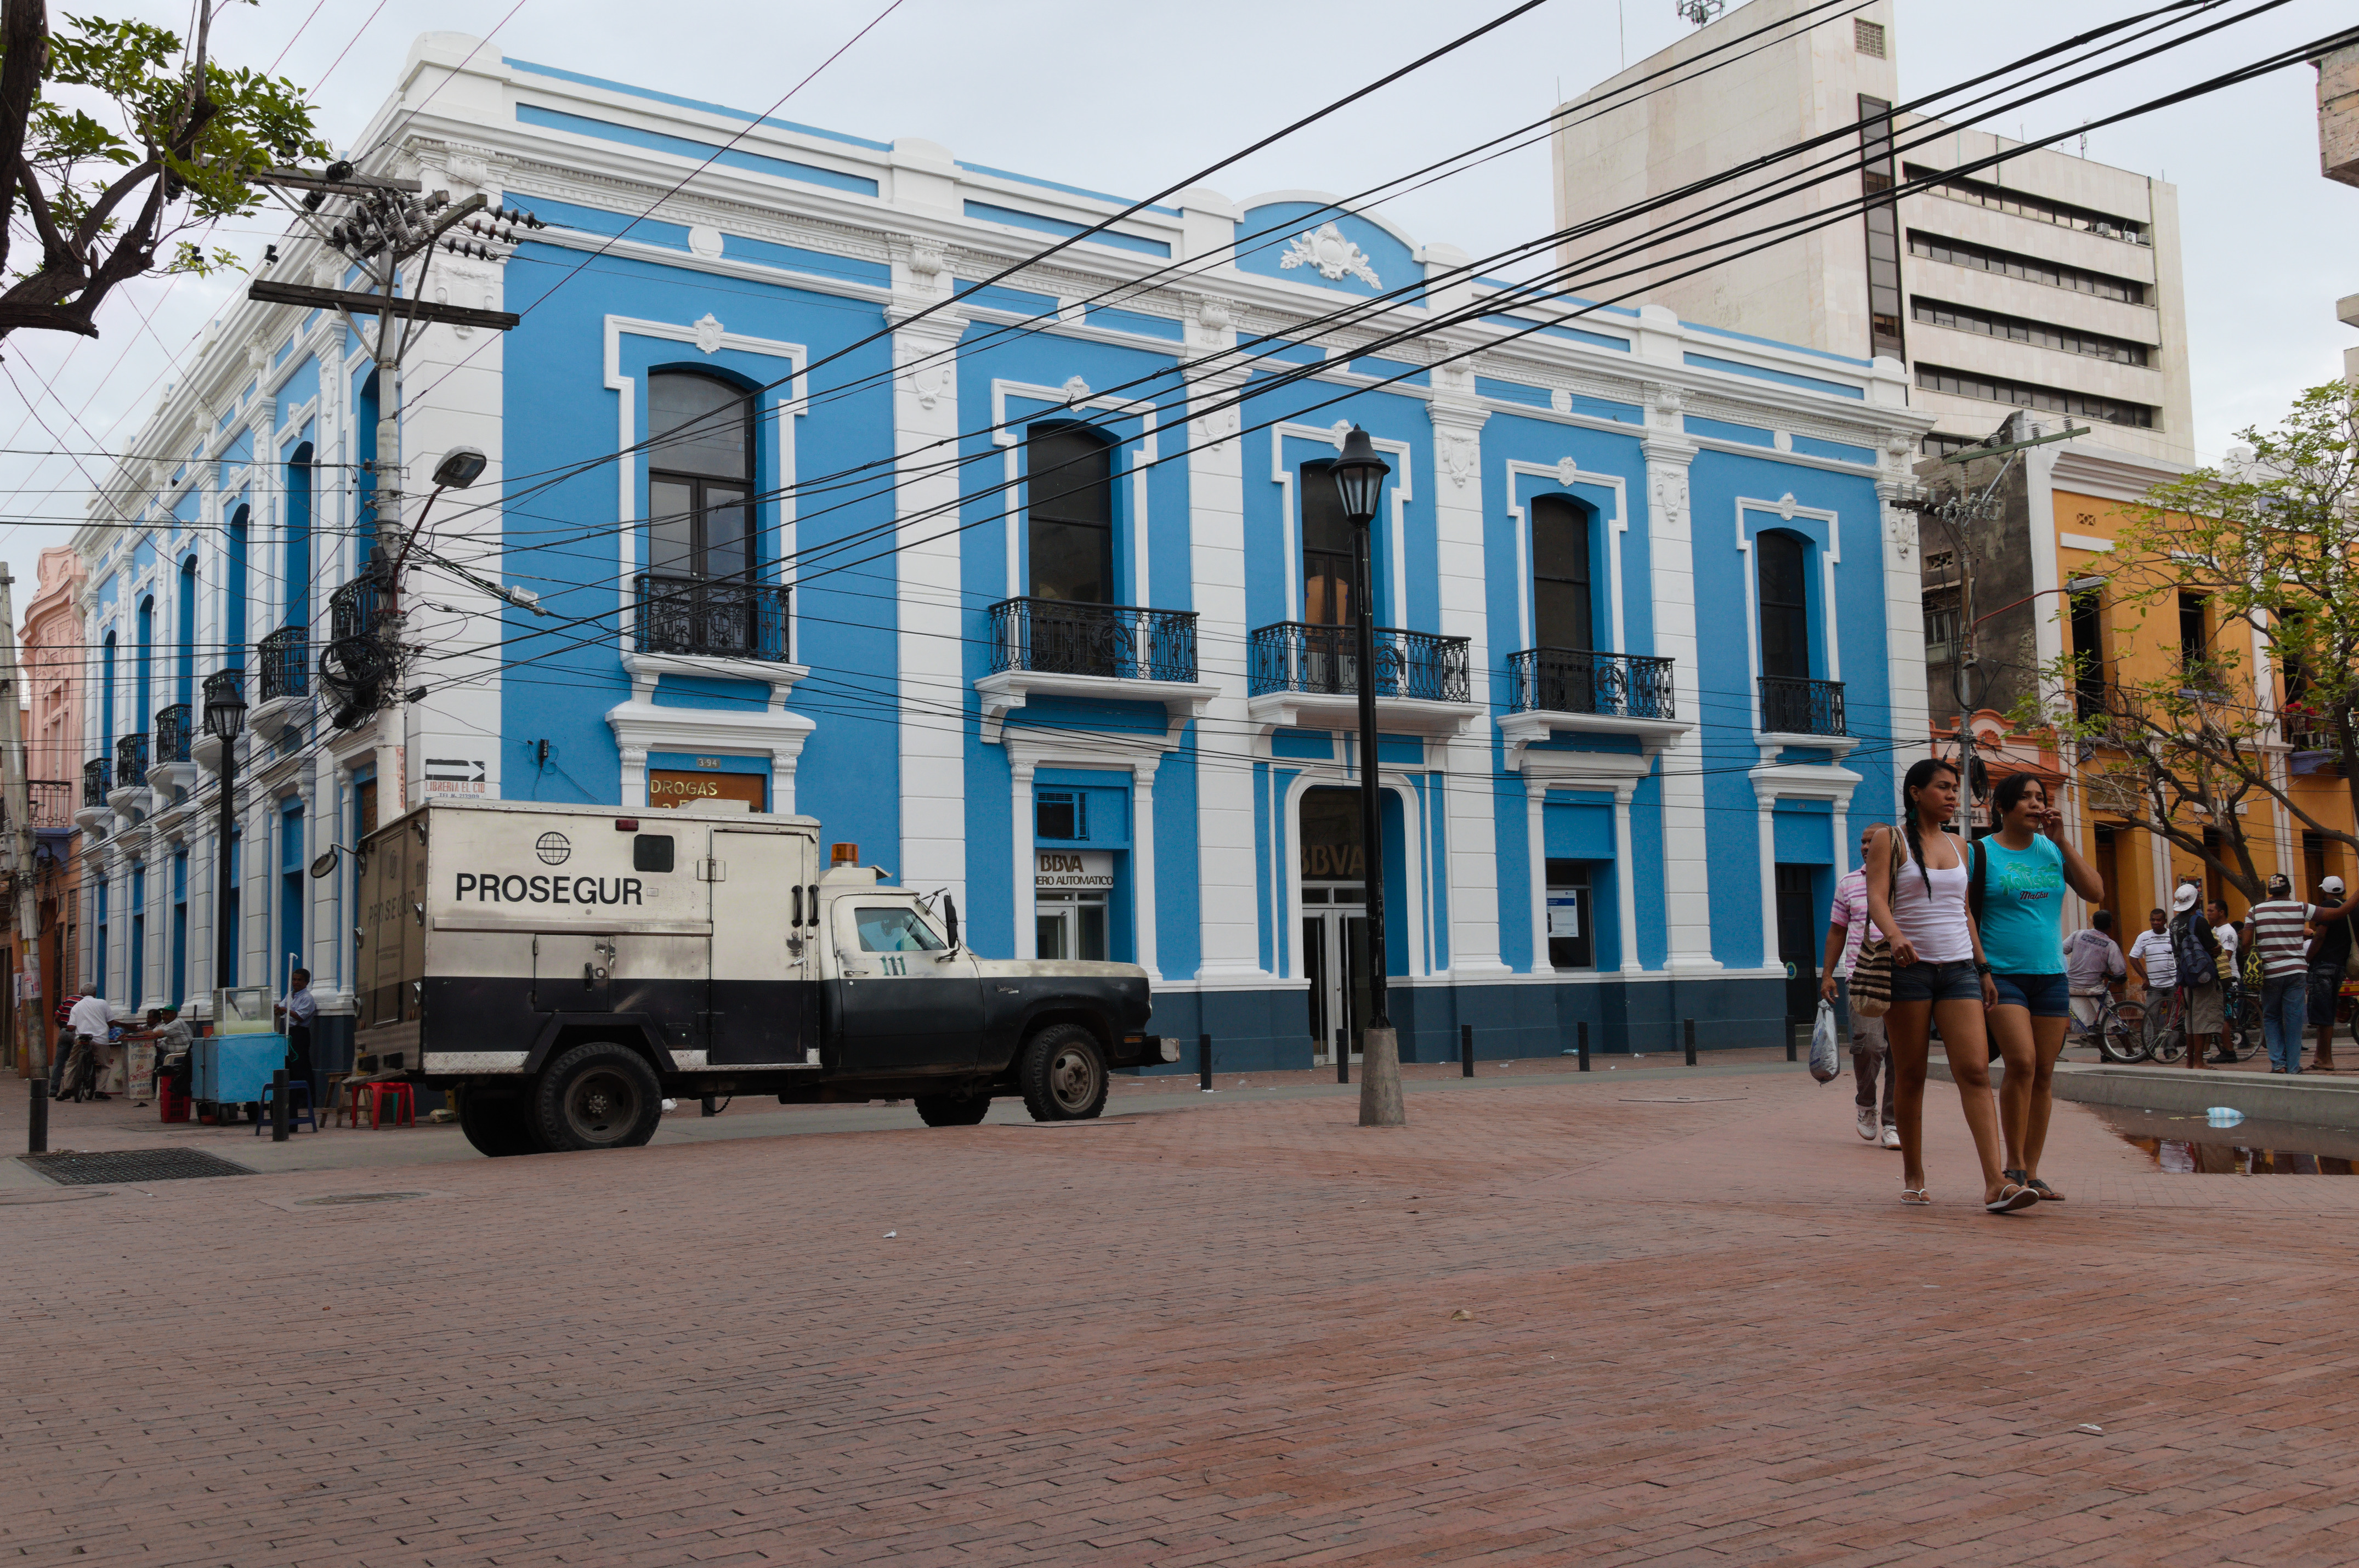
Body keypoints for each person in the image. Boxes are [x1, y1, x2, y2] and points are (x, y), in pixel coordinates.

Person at [1867, 756, 2032, 1213]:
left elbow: (1963, 912)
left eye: (1954, 788)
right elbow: (1876, 898)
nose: (1951, 795)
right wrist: (1895, 935)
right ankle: (1914, 1177)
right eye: (1942, 787)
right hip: (1910, 971)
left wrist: (1983, 968)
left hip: (1959, 970)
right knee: (1912, 1074)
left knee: (1975, 1071)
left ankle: (1996, 1182)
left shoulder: (1961, 845)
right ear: (1916, 793)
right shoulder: (1890, 839)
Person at [1971, 774, 2105, 1205]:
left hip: (2051, 975)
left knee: (2044, 1073)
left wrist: (2063, 841)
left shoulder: (2052, 850)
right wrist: (1981, 968)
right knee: (2022, 1062)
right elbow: (1963, 913)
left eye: (2040, 797)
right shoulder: (1980, 853)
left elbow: (2095, 892)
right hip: (2002, 975)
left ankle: (2032, 1171)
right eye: (2025, 798)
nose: (2035, 804)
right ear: (2002, 807)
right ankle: (2012, 1167)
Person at [1819, 826, 1898, 1148]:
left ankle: (1893, 1121)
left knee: (1901, 1054)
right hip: (1862, 976)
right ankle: (1866, 1102)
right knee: (1869, 1045)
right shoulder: (1849, 883)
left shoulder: (1908, 880)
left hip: (1905, 976)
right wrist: (1827, 974)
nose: (1866, 846)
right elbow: (1837, 930)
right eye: (1863, 841)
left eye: (1872, 841)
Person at [2250, 874, 2323, 1073]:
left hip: (2270, 972)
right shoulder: (2301, 908)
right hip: (2296, 971)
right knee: (2294, 1020)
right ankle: (2293, 1066)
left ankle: (2278, 1064)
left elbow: (2247, 942)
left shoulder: (2255, 911)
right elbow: (2335, 913)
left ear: (2269, 891)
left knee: (2271, 1017)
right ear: (2289, 890)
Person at [2169, 882, 2225, 1071]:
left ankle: (2190, 1062)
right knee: (2202, 1019)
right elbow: (2212, 948)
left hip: (2185, 976)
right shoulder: (2199, 922)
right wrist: (2217, 949)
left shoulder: (2174, 923)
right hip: (2202, 976)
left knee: (2190, 1021)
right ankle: (2199, 1062)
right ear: (2196, 901)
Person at [2305, 876, 2359, 1071]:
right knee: (2328, 1013)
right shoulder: (2354, 909)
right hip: (2340, 966)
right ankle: (2321, 1057)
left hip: (2323, 965)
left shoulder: (2328, 906)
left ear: (2324, 891)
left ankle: (2325, 1059)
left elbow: (2320, 935)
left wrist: (2307, 959)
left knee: (2323, 1015)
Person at [2063, 909, 2127, 1047]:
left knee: (2092, 1028)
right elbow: (2120, 970)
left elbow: (2062, 949)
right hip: (2095, 989)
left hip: (2073, 989)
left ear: (2093, 922)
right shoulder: (2110, 944)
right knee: (2115, 1024)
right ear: (2110, 925)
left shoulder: (2078, 934)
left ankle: (2105, 1053)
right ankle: (2130, 1052)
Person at [58, 992, 118, 1100]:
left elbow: (71, 1027)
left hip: (81, 1039)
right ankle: (100, 1091)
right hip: (100, 1039)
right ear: (95, 993)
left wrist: (70, 1028)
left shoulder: (77, 1006)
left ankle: (67, 1089)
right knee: (105, 1065)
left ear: (82, 993)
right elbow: (111, 1023)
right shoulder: (103, 1003)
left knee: (71, 1063)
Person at [2125, 908, 2176, 1019]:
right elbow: (2133, 958)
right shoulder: (2144, 937)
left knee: (2174, 1018)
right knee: (2150, 1018)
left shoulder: (2173, 935)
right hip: (2154, 986)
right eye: (2153, 920)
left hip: (2174, 984)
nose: (2155, 923)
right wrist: (2145, 977)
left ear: (2165, 921)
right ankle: (2151, 1033)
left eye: (2159, 920)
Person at [275, 968, 318, 1092]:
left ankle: (306, 1096)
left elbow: (300, 1016)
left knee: (301, 1065)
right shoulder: (290, 995)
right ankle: (293, 1096)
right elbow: (281, 1007)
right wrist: (278, 1008)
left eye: (300, 980)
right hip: (289, 1033)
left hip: (300, 1033)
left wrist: (285, 1010)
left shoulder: (307, 998)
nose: (296, 982)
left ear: (306, 982)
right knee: (290, 1065)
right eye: (294, 980)